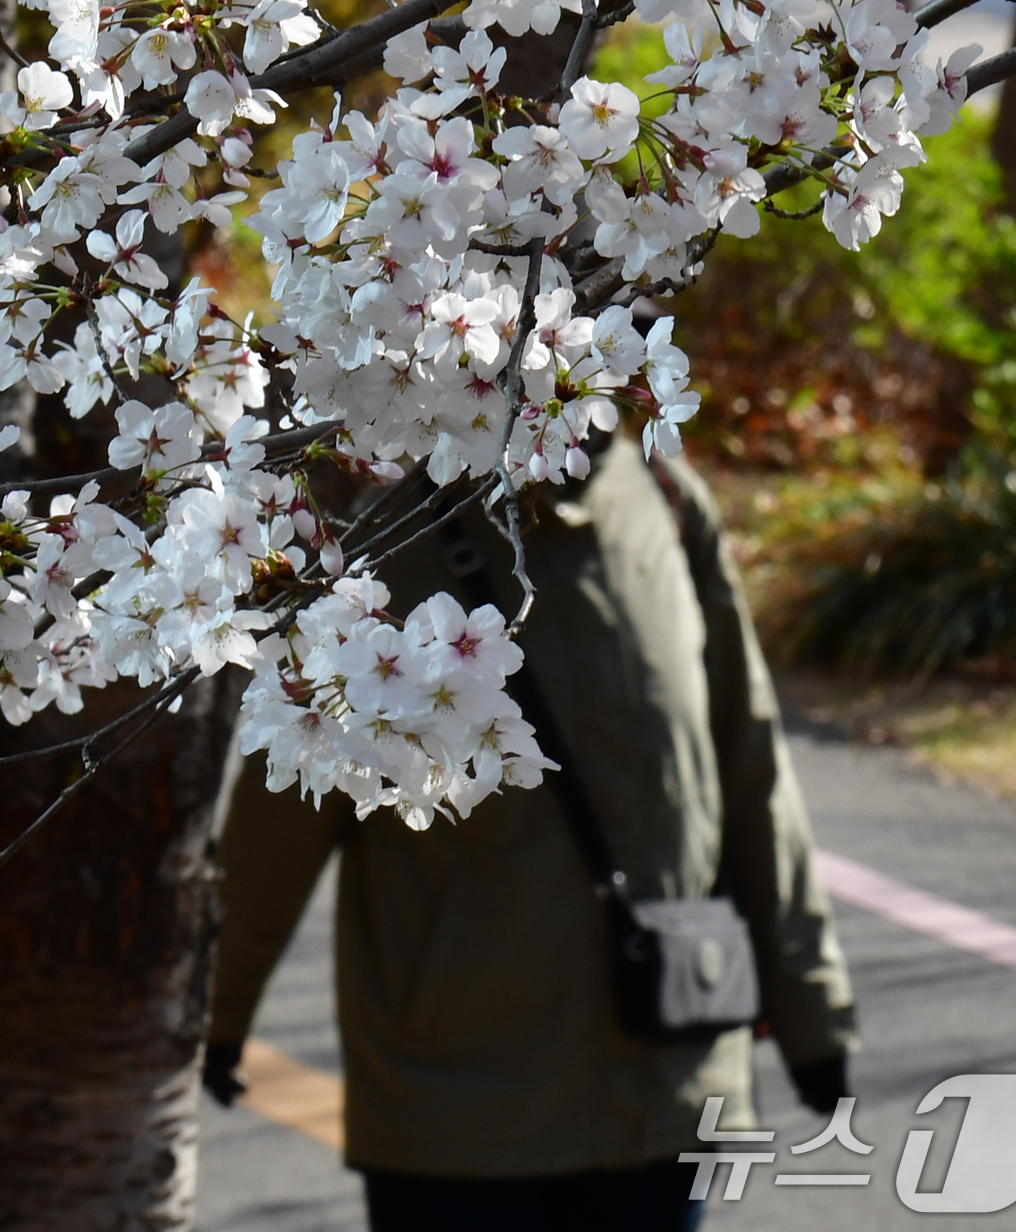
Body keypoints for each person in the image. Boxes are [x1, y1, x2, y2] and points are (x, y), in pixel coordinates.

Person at [203, 435, 856, 1231]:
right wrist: (212, 1011)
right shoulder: (385, 535)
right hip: (457, 1111)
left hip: (665, 1079)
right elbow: (283, 823)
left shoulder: (669, 500)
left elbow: (748, 761)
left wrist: (809, 1006)